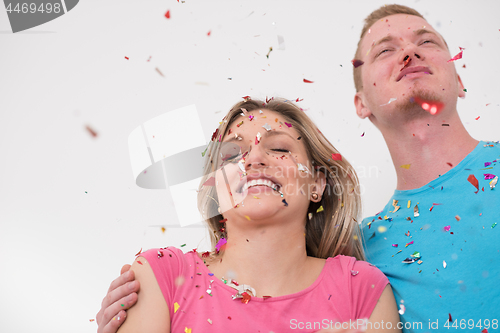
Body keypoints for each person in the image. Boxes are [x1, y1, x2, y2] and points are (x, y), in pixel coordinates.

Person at [96, 98, 401, 332]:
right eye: (231, 154)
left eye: (280, 148)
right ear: (216, 186)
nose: (254, 158)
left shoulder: (361, 288)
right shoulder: (161, 274)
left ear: (317, 185)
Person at [352, 4, 499, 332]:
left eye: (427, 42)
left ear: (459, 81)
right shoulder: (358, 252)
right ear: (362, 103)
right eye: (385, 50)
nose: (409, 51)